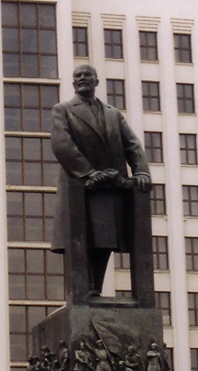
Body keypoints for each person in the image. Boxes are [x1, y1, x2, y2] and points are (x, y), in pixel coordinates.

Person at [50, 64, 152, 297]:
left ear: (97, 81)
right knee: (79, 239)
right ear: (73, 82)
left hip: (109, 187)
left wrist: (141, 171)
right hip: (79, 184)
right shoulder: (63, 110)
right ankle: (81, 289)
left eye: (87, 75)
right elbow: (62, 144)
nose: (82, 78)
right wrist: (88, 172)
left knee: (104, 238)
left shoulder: (113, 114)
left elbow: (133, 145)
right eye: (78, 75)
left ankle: (94, 288)